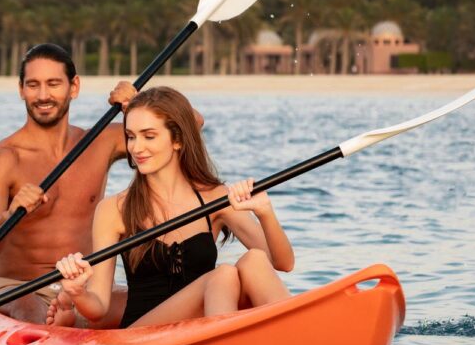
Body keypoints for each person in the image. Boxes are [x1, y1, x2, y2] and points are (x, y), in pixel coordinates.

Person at [0, 44, 203, 325]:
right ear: (21, 90)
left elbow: (193, 125)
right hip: (18, 289)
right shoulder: (4, 159)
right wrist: (11, 215)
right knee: (34, 311)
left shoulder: (99, 142)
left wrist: (139, 103)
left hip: (81, 290)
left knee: (167, 300)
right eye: (33, 85)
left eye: (53, 84)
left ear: (74, 86)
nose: (43, 95)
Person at [47, 86, 294, 329]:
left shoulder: (213, 197)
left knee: (254, 259)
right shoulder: (114, 209)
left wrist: (265, 213)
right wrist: (77, 291)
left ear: (177, 140)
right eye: (131, 136)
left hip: (200, 324)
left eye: (149, 136)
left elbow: (283, 263)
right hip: (143, 334)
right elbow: (99, 308)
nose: (136, 147)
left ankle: (295, 342)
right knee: (224, 275)